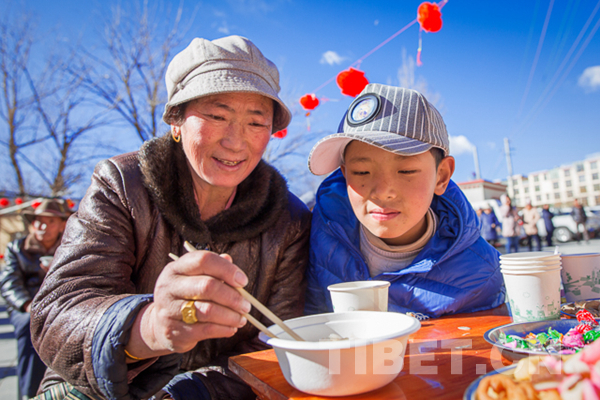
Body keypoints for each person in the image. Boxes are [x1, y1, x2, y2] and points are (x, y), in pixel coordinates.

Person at [29, 36, 311, 400]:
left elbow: (275, 343)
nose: (235, 141)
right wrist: (149, 326)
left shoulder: (288, 218)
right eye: (217, 116)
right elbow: (57, 311)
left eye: (256, 123)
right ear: (176, 121)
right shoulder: (123, 184)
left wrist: (191, 390)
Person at [304, 84, 505, 318]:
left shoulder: (479, 272)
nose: (383, 192)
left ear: (441, 176)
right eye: (361, 172)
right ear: (344, 173)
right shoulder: (323, 234)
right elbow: (313, 319)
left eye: (406, 171)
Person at [0, 199, 70, 398]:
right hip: (26, 307)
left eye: (50, 222)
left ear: (62, 225)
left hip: (59, 305)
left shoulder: (69, 247)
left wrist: (54, 272)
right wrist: (27, 305)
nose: (43, 227)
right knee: (30, 327)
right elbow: (9, 282)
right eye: (39, 221)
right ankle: (29, 393)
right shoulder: (17, 247)